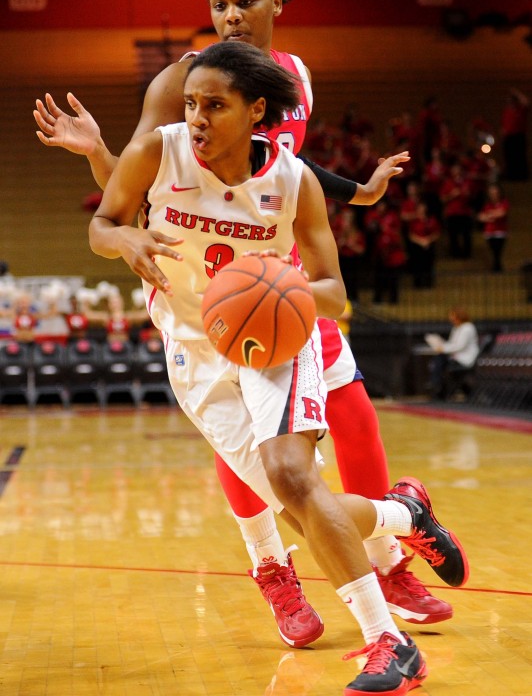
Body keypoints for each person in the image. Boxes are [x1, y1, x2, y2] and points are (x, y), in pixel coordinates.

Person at [34, 0, 452, 641]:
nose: (230, 16)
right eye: (219, 5)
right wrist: (97, 154)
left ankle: (388, 560)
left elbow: (290, 167)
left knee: (350, 417)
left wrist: (359, 193)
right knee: (263, 464)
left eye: (245, 2)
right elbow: (134, 188)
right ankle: (278, 567)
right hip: (202, 293)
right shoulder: (180, 84)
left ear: (276, 4)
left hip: (276, 279)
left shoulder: (295, 78)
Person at [88, 41, 468, 694]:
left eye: (216, 105)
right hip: (193, 351)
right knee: (300, 509)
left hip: (272, 339)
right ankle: (404, 515)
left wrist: (273, 287)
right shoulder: (159, 153)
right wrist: (122, 237)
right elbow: (102, 222)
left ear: (256, 109)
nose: (198, 118)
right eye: (190, 104)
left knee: (294, 476)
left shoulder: (294, 182)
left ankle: (390, 643)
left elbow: (333, 292)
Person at [425, 305, 480, 400]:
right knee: (440, 358)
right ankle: (437, 384)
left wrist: (443, 349)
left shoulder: (468, 328)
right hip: (457, 357)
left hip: (465, 359)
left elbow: (459, 346)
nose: (452, 320)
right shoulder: (456, 328)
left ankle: (436, 383)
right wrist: (441, 346)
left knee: (440, 359)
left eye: (454, 318)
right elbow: (452, 344)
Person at [477, 183, 509, 273]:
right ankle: (496, 267)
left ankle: (497, 267)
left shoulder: (504, 202)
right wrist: (492, 215)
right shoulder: (487, 205)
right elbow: (480, 216)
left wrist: (489, 215)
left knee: (498, 250)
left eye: (495, 193)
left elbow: (502, 213)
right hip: (489, 231)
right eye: (492, 193)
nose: (494, 195)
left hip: (500, 231)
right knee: (493, 250)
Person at [500, 87, 529, 182]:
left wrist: (516, 92)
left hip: (518, 136)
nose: (510, 103)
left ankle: (521, 176)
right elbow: (504, 124)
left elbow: (526, 102)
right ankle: (511, 176)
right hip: (509, 137)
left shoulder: (521, 110)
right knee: (509, 157)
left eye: (512, 101)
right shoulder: (507, 111)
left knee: (519, 157)